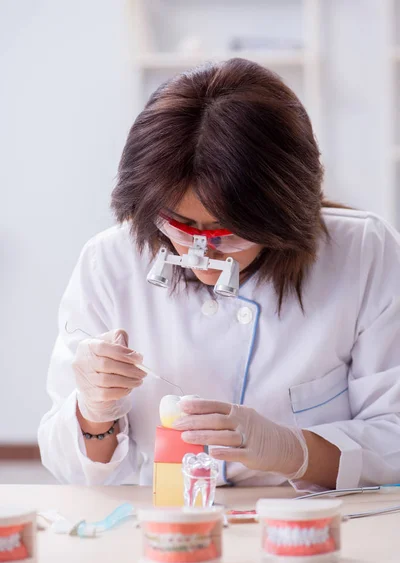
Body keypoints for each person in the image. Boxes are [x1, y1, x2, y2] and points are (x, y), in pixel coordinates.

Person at [38, 58, 400, 491]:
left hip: (309, 518)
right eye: (179, 225)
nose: (198, 252)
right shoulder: (110, 261)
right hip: (165, 520)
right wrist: (93, 411)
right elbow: (74, 467)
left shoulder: (362, 253)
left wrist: (293, 451)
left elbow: (394, 437)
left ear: (280, 212)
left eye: (226, 233)